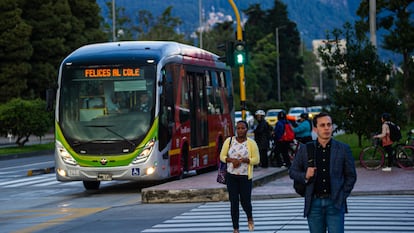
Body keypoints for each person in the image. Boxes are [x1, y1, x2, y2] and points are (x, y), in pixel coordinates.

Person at [289, 112, 357, 233]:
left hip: (335, 203)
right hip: (314, 203)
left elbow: (351, 176)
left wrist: (342, 195)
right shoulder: (306, 149)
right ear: (315, 129)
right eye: (322, 125)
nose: (326, 128)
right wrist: (305, 175)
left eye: (329, 125)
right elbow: (293, 172)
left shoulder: (343, 149)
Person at [220, 120, 260, 233]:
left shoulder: (251, 143)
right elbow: (222, 156)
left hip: (245, 177)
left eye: (243, 128)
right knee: (234, 202)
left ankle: (249, 217)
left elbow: (257, 160)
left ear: (247, 129)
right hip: (231, 176)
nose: (240, 130)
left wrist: (246, 160)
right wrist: (231, 160)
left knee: (245, 201)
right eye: (238, 128)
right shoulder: (229, 141)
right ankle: (235, 228)